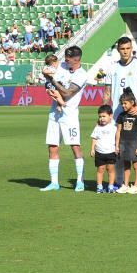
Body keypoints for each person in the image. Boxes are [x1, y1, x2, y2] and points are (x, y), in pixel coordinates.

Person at [103, 37, 137, 191]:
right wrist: (105, 110)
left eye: (128, 48)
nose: (125, 51)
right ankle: (120, 181)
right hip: (118, 114)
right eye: (122, 48)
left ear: (131, 49)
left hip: (134, 113)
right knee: (117, 147)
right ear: (118, 50)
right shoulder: (112, 68)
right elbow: (107, 91)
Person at [40, 46, 88, 192]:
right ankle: (54, 182)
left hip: (70, 115)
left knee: (75, 147)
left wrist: (52, 81)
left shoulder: (81, 75)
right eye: (65, 57)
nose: (65, 60)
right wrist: (48, 85)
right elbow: (47, 80)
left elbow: (67, 93)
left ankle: (80, 181)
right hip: (54, 113)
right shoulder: (61, 66)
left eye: (68, 58)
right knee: (53, 146)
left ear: (77, 59)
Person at [114, 89, 137, 194]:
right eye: (122, 104)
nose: (123, 105)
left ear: (132, 102)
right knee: (126, 164)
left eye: (125, 103)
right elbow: (118, 130)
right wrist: (117, 145)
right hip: (123, 143)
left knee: (136, 164)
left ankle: (136, 186)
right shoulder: (121, 116)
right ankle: (126, 185)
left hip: (134, 143)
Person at [91, 105, 117, 193]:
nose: (102, 119)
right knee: (100, 169)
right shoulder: (97, 127)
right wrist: (92, 149)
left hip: (111, 152)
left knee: (111, 169)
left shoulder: (114, 127)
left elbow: (117, 138)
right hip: (99, 152)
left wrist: (117, 147)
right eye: (100, 116)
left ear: (110, 116)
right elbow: (94, 138)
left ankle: (110, 186)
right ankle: (99, 186)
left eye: (104, 116)